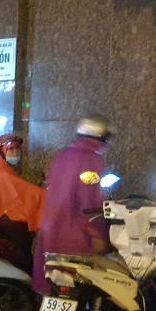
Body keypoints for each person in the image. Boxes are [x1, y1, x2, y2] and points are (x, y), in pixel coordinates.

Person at [33, 116, 111, 295]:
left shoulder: (61, 156)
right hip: (76, 233)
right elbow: (89, 199)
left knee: (54, 281)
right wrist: (97, 232)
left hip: (51, 229)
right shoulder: (91, 160)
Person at [0, 133, 44, 272]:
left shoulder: (0, 170)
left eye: (17, 149)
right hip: (2, 226)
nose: (16, 152)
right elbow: (25, 192)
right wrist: (47, 195)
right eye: (11, 149)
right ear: (1, 152)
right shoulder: (3, 174)